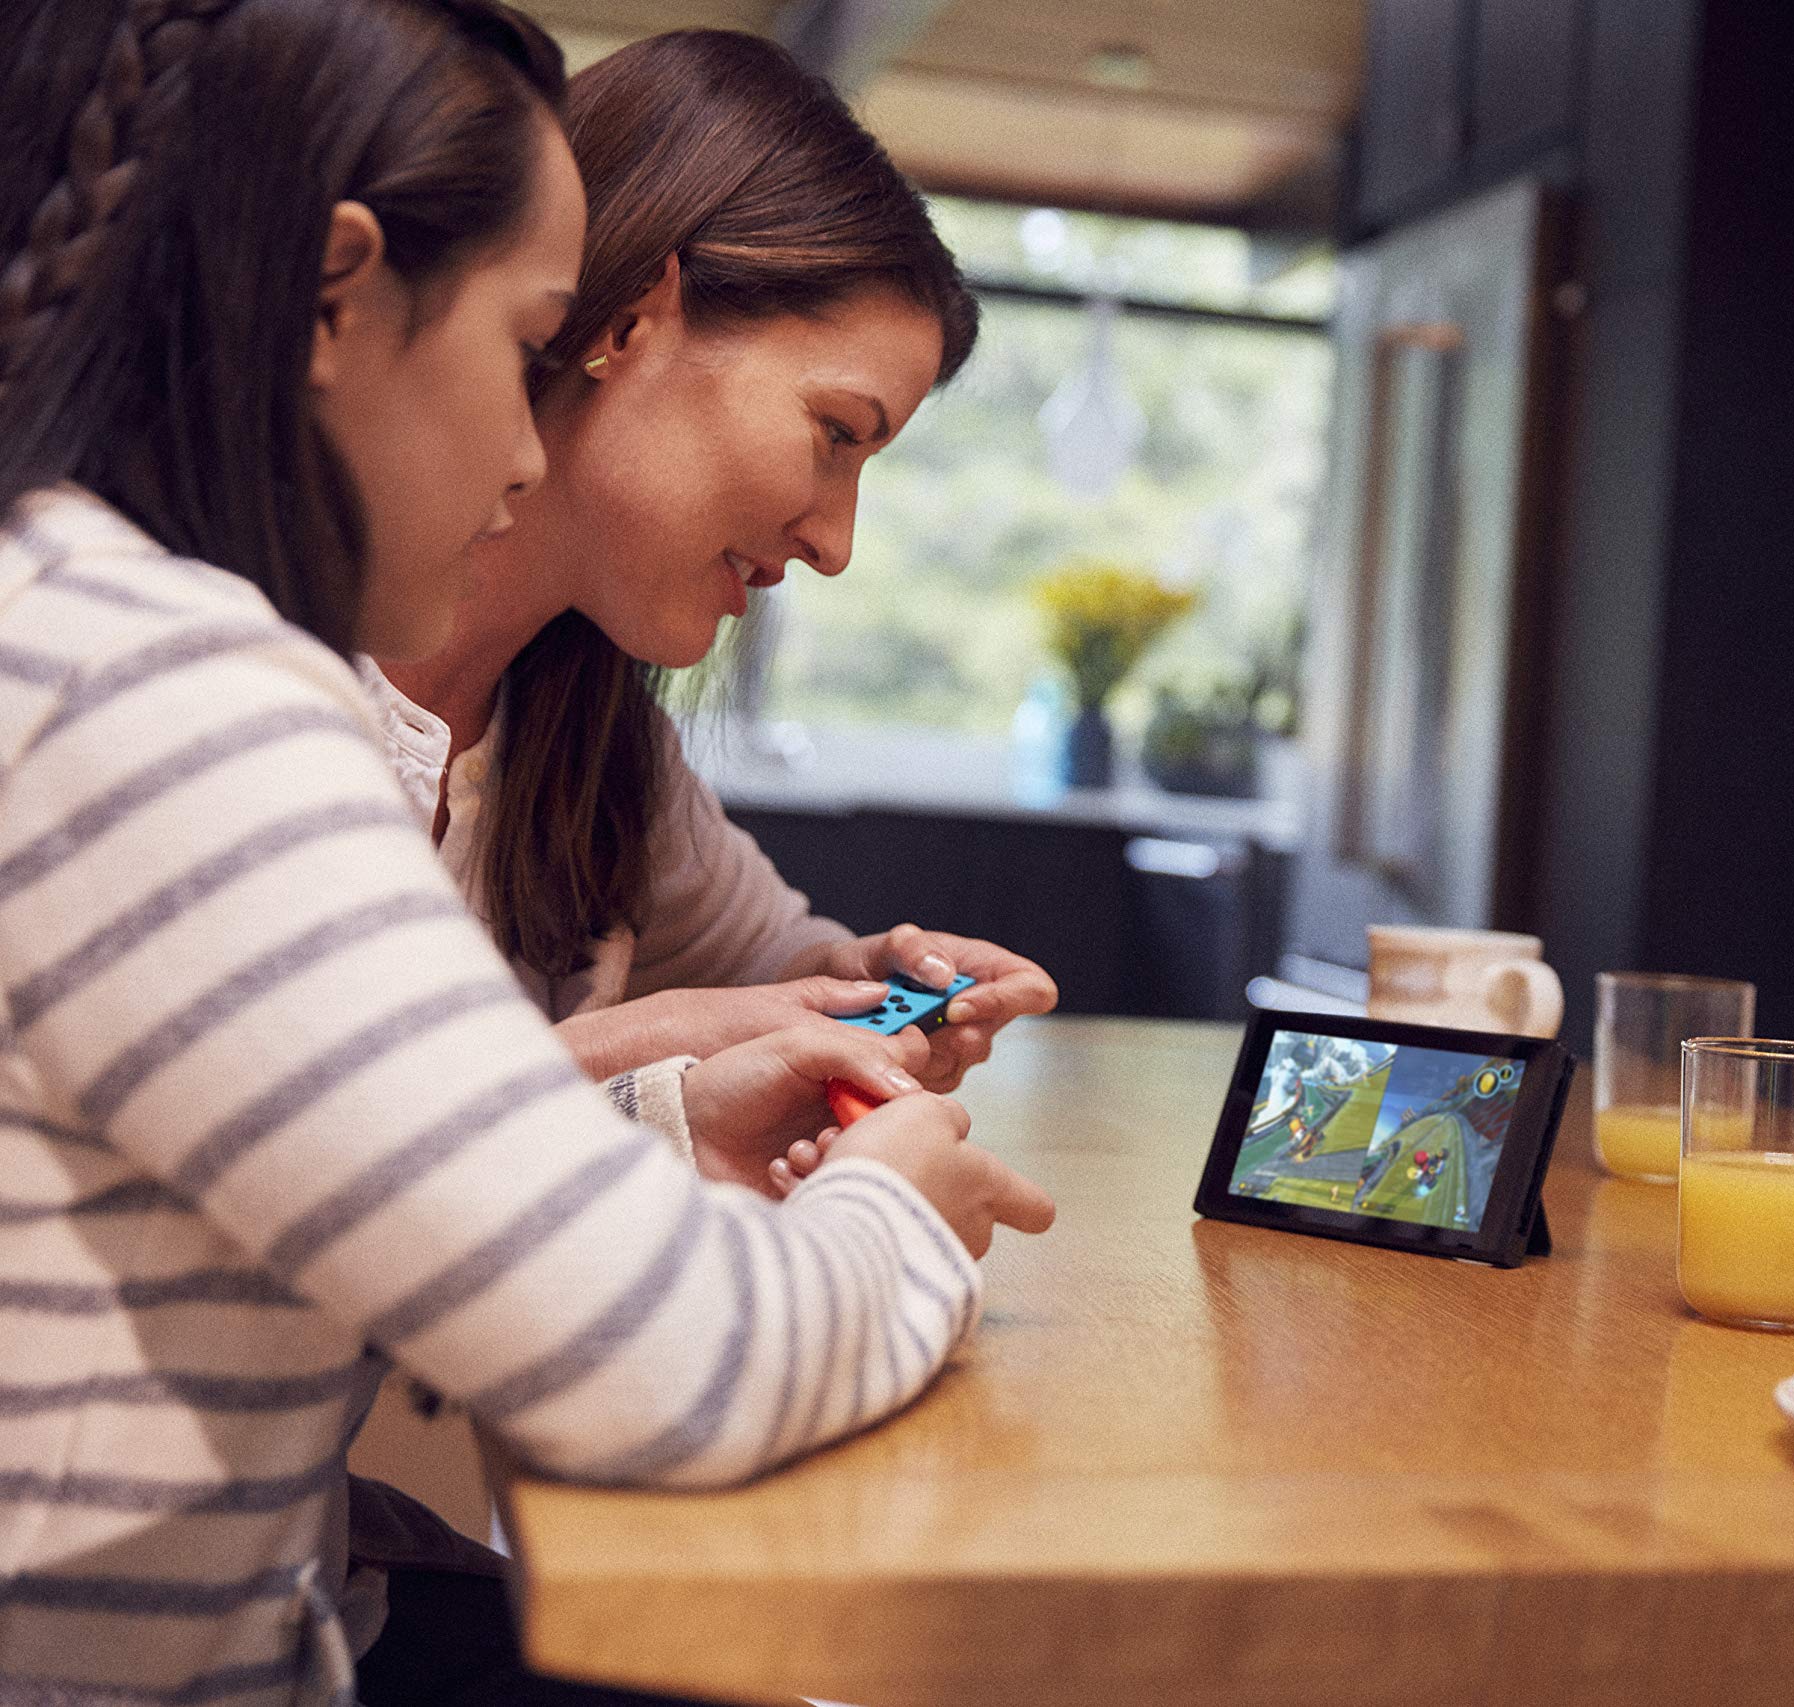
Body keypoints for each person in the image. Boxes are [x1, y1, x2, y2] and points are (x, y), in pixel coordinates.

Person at [0, 4, 1052, 1703]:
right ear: (341, 297)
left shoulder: (76, 619)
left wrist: (666, 1104)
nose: (520, 447)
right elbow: (671, 1360)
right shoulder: (169, 694)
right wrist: (897, 1210)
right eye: (526, 344)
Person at [369, 29, 1058, 1105]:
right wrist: (659, 1036)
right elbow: (290, 1120)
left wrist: (847, 987)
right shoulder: (240, 656)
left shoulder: (591, 744)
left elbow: (777, 959)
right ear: (636, 314)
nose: (835, 545)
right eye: (836, 432)